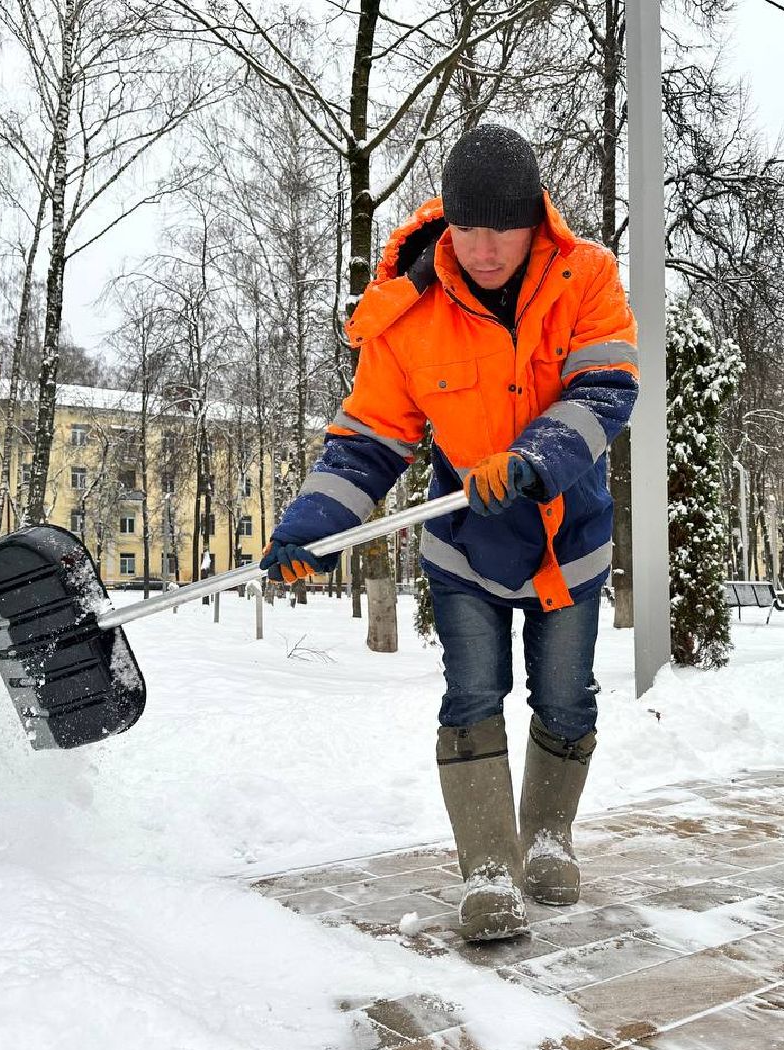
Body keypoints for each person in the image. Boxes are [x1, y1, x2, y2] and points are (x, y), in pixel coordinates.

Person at [261, 124, 638, 942]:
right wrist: (312, 525)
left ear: (535, 220)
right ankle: (489, 870)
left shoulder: (588, 277)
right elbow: (368, 438)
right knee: (472, 692)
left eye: (504, 227)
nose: (486, 247)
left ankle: (547, 836)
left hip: (565, 536)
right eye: (469, 228)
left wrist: (536, 457)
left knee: (566, 694)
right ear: (449, 220)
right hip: (465, 538)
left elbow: (608, 388)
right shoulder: (407, 313)